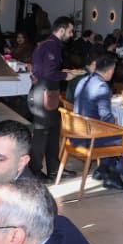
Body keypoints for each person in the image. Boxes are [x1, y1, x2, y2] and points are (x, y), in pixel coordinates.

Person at [72, 54, 123, 191]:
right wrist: (116, 124)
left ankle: (103, 169)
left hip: (76, 133)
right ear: (111, 71)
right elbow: (106, 118)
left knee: (116, 133)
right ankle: (114, 175)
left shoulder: (84, 80)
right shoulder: (102, 86)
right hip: (90, 138)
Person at [27, 16, 78, 180]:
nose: (72, 34)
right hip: (44, 95)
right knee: (41, 135)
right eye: (70, 31)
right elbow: (49, 73)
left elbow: (42, 70)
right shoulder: (51, 46)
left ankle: (54, 169)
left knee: (54, 132)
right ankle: (34, 172)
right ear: (61, 30)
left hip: (47, 93)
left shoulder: (48, 44)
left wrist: (64, 72)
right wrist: (66, 75)